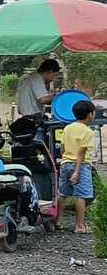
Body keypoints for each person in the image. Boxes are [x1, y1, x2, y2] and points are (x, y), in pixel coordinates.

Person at [57, 99, 97, 234]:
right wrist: (77, 172)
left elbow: (62, 147)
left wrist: (64, 159)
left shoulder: (68, 128)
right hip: (81, 166)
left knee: (62, 193)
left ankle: (58, 221)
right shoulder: (88, 132)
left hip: (65, 164)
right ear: (90, 115)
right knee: (82, 195)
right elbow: (81, 153)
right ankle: (80, 225)